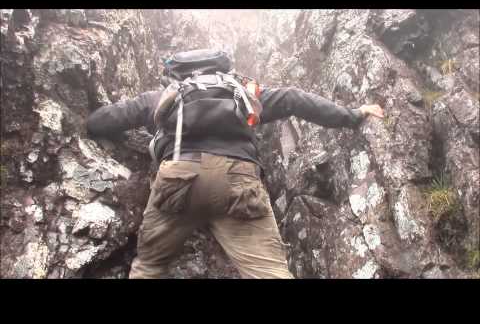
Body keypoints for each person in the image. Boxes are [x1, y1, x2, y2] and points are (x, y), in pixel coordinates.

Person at [87, 49, 384, 279]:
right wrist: (354, 113)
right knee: (270, 272)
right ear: (223, 68)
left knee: (149, 267)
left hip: (179, 179)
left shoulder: (162, 97)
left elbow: (104, 120)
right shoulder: (243, 93)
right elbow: (295, 98)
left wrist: (86, 124)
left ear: (175, 74)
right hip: (238, 179)